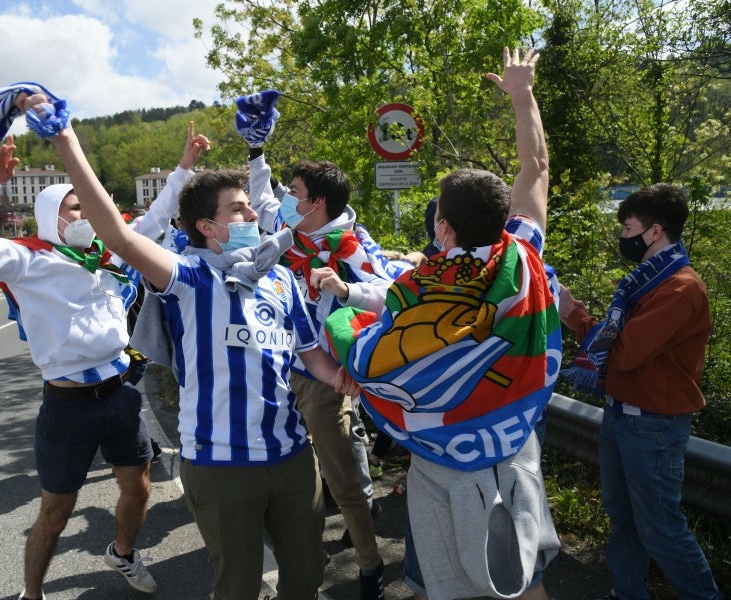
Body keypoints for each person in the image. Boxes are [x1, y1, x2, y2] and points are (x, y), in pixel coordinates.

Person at [26, 95, 360, 600]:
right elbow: (117, 236)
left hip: (292, 458)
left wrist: (339, 376)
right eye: (239, 208)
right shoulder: (188, 277)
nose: (253, 211)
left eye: (249, 204)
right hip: (222, 466)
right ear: (208, 227)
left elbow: (309, 353)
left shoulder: (280, 279)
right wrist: (67, 141)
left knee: (307, 578)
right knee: (238, 587)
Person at [325, 47, 561, 600]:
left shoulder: (420, 291)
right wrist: (523, 95)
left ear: (445, 229)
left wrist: (345, 333)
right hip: (513, 446)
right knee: (524, 578)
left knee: (450, 584)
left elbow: (369, 356)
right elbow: (538, 167)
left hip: (445, 467)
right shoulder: (522, 254)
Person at [0, 123, 209, 600]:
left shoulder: (111, 252)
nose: (87, 213)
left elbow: (156, 217)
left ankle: (123, 553)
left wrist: (185, 166)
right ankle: (32, 592)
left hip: (121, 394)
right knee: (56, 512)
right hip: (68, 407)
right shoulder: (28, 261)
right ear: (52, 216)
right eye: (75, 207)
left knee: (139, 489)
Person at [244, 123, 414, 599]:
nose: (284, 200)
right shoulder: (287, 235)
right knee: (286, 482)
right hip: (275, 374)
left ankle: (369, 565)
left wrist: (345, 289)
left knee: (344, 482)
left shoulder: (351, 245)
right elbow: (262, 200)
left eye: (294, 193)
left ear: (315, 203)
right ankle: (308, 557)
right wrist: (256, 150)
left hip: (324, 379)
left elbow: (392, 293)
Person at [559, 184, 722, 600]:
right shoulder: (647, 281)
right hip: (622, 414)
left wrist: (575, 315)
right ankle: (628, 592)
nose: (623, 236)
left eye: (628, 226)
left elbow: (626, 351)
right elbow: (619, 343)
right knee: (624, 517)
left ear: (654, 232)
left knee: (661, 528)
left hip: (654, 425)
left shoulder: (679, 288)